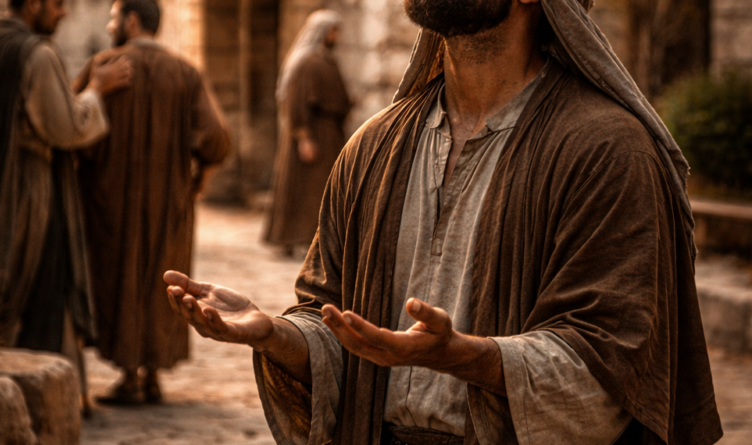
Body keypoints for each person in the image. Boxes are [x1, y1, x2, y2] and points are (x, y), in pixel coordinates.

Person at [165, 0, 724, 443]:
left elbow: (613, 367)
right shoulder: (374, 148)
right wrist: (277, 334)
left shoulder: (606, 150)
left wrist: (467, 357)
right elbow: (334, 326)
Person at [0, 0, 132, 406]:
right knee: (38, 284)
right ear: (33, 4)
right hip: (23, 190)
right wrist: (96, 90)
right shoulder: (37, 54)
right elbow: (68, 126)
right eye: (57, 5)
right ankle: (41, 399)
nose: (64, 13)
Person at [72, 0, 231, 405]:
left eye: (113, 18)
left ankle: (129, 375)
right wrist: (198, 179)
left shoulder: (104, 67)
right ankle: (153, 374)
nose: (110, 26)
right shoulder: (185, 74)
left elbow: (72, 129)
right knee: (164, 281)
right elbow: (218, 140)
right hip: (169, 204)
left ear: (131, 20)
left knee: (119, 281)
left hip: (110, 203)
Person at [263, 10, 351, 256]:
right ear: (324, 33)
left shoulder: (323, 60)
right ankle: (295, 238)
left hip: (328, 133)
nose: (337, 37)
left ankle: (315, 239)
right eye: (334, 31)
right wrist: (304, 137)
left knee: (319, 189)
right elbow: (296, 103)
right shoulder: (307, 62)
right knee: (305, 189)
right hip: (314, 134)